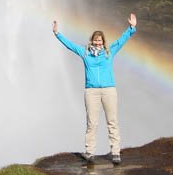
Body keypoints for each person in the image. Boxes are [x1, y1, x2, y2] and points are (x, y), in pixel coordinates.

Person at [53, 13, 137, 167]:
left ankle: (116, 152)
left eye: (100, 41)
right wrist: (57, 34)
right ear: (92, 41)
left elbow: (121, 41)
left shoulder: (109, 52)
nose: (98, 43)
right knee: (92, 122)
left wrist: (131, 28)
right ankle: (89, 152)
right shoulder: (85, 53)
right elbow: (70, 45)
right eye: (96, 40)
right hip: (91, 91)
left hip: (109, 90)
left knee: (112, 121)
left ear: (103, 42)